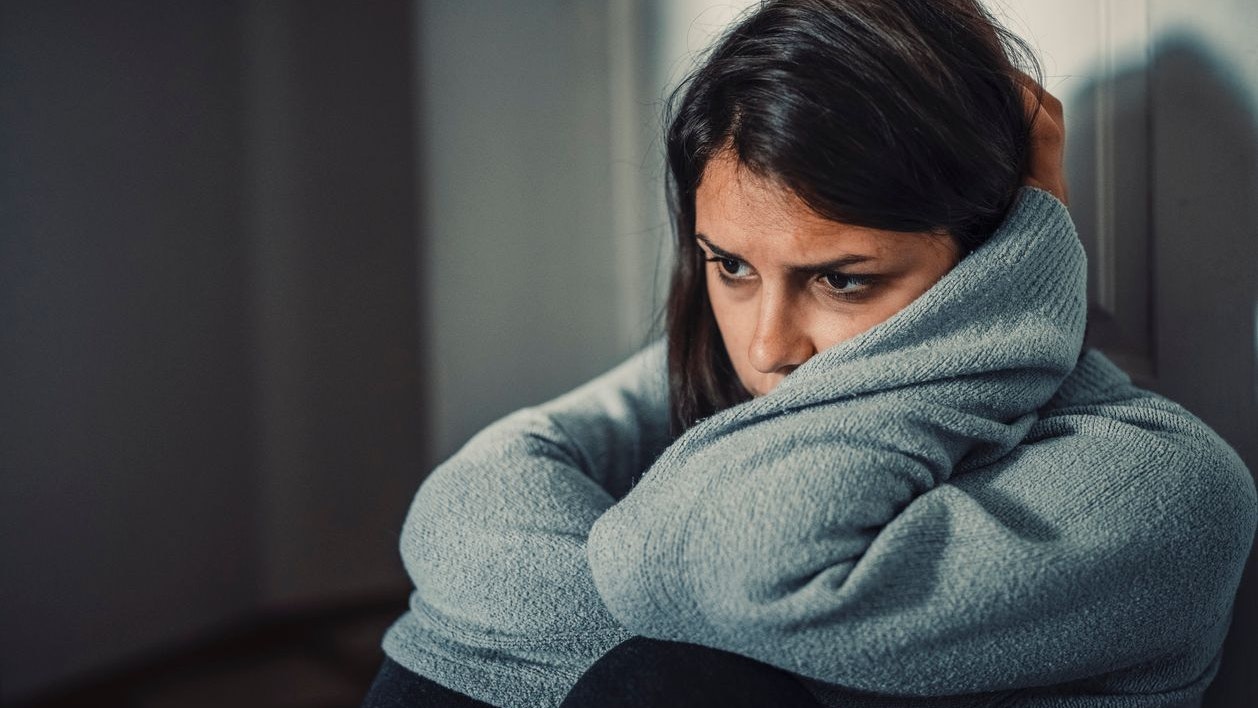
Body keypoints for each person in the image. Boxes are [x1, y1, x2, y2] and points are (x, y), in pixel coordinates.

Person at [363, 1, 1255, 707]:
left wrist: (1024, 270)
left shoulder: (1166, 484)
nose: (766, 345)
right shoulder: (732, 370)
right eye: (733, 266)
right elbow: (468, 509)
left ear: (998, 259)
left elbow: (742, 570)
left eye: (844, 280)